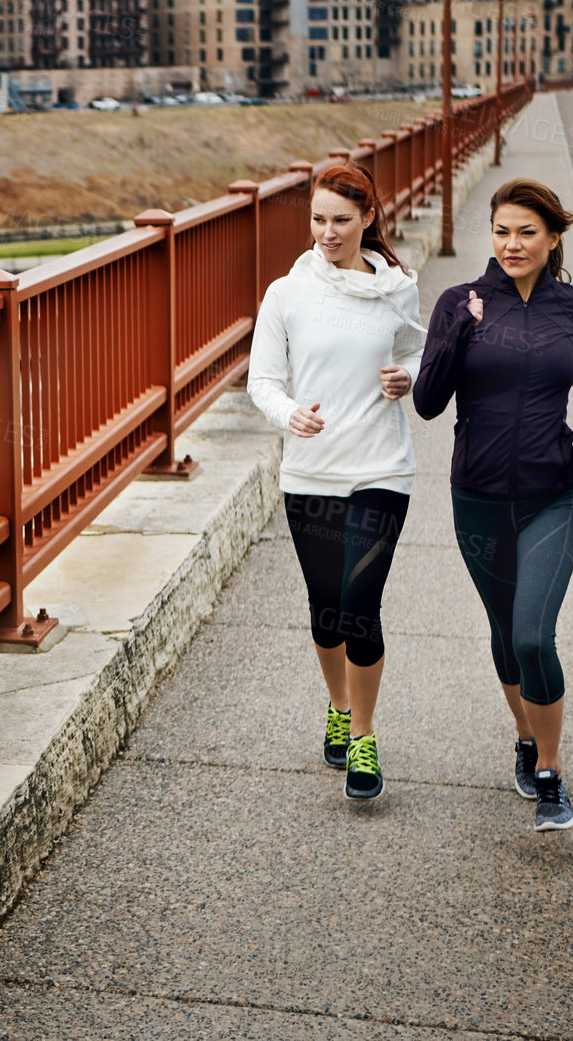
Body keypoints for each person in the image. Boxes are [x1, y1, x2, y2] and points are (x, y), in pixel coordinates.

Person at [412, 178, 573, 832]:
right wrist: (456, 335)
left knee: (533, 634)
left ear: (553, 238)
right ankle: (526, 738)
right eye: (501, 230)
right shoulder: (458, 304)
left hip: (553, 497)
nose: (511, 243)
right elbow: (426, 401)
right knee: (505, 637)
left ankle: (552, 775)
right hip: (476, 499)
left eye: (527, 231)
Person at [249, 162, 424, 801]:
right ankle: (339, 706)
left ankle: (365, 739)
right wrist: (288, 412)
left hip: (381, 469)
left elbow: (416, 348)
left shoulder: (397, 286)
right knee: (327, 613)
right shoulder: (286, 294)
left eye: (341, 220)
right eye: (318, 219)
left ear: (368, 219)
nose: (327, 232)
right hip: (310, 473)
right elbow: (261, 381)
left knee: (359, 607)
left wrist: (406, 375)